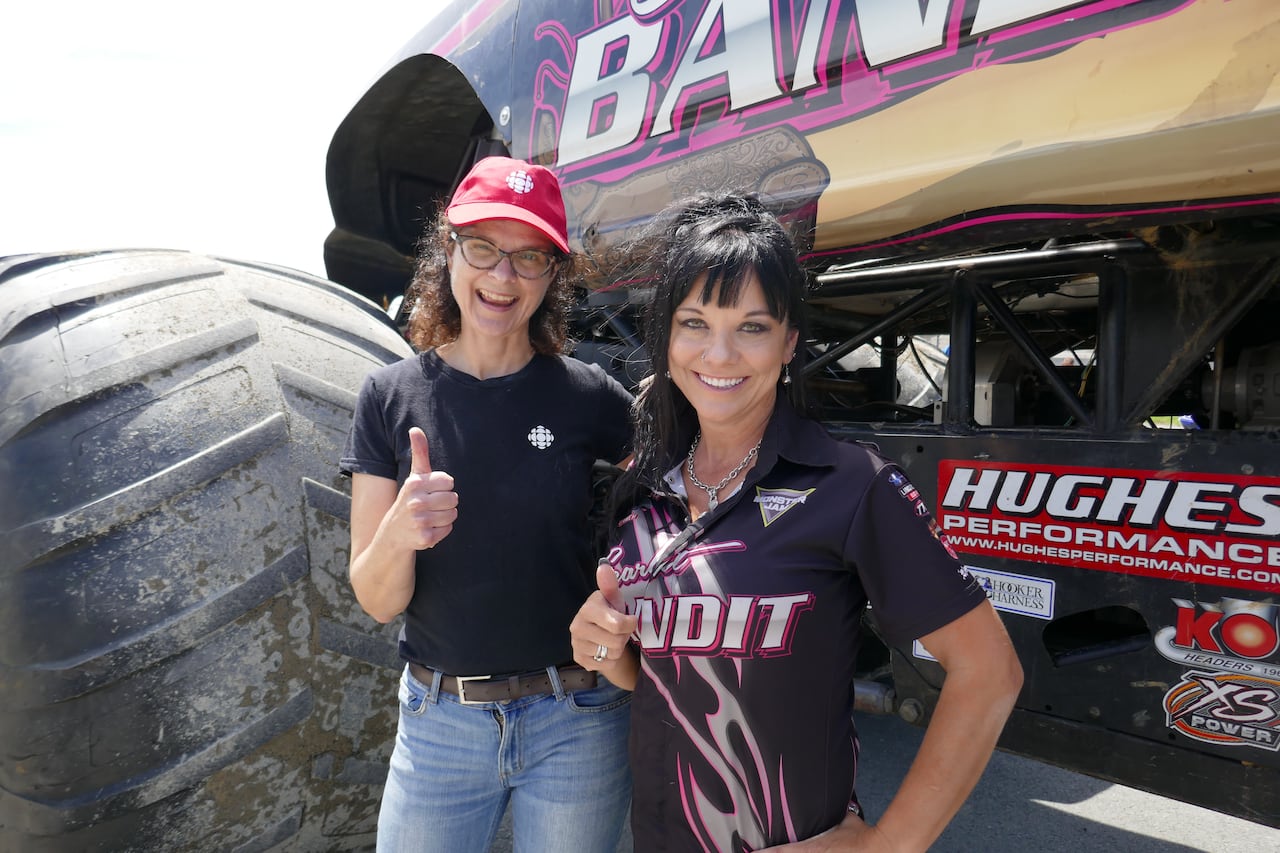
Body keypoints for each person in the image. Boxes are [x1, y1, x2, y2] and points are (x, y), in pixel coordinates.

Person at [570, 192, 1023, 852]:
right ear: (666, 338)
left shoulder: (849, 484)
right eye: (694, 322)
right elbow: (663, 675)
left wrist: (887, 845)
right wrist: (606, 649)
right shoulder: (645, 491)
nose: (719, 354)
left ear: (788, 343)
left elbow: (990, 673)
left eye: (751, 326)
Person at [341, 156, 635, 853]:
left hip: (578, 717)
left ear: (553, 274)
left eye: (529, 257)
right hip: (441, 723)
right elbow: (378, 600)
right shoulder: (388, 397)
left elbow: (682, 496)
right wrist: (399, 533)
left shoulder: (587, 395)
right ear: (449, 251)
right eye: (483, 249)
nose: (503, 277)